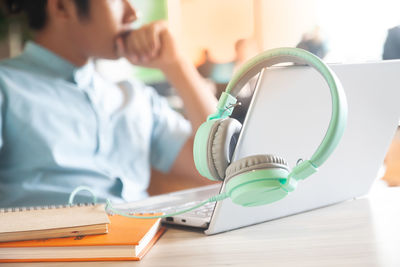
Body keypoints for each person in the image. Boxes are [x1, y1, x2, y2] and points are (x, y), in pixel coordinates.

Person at [0, 0, 217, 208]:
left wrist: (176, 65)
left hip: (146, 238)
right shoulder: (6, 87)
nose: (133, 14)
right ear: (62, 6)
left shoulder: (135, 97)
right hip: (53, 243)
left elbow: (217, 169)